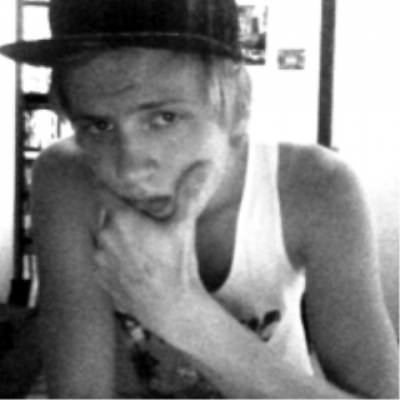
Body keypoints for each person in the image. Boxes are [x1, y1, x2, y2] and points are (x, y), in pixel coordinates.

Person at [1, 0, 398, 398]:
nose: (130, 169)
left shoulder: (316, 187)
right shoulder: (67, 178)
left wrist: (181, 310)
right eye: (99, 125)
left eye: (164, 118)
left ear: (237, 108)